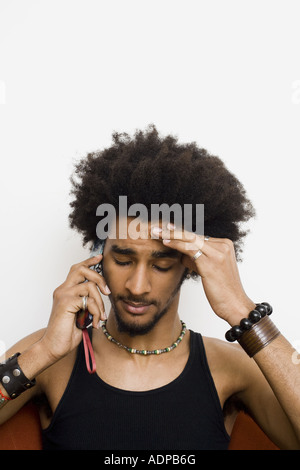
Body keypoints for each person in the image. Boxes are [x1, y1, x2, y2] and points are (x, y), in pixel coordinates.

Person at [1, 125, 300, 450]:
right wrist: (43, 352)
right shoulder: (49, 355)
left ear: (190, 265)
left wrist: (245, 311)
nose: (137, 286)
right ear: (98, 259)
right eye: (123, 259)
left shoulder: (228, 367)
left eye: (161, 264)